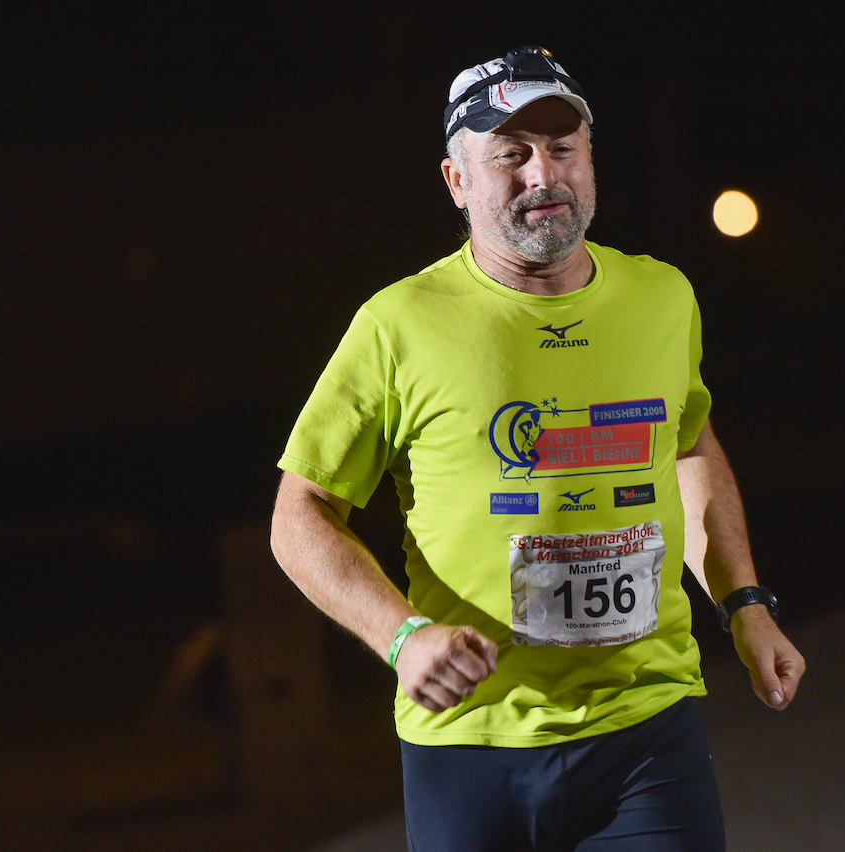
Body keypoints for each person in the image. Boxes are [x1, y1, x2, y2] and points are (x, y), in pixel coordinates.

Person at [269, 47, 804, 851]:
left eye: (562, 148)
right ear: (456, 180)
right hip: (471, 743)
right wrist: (402, 636)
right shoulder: (399, 324)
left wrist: (745, 602)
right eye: (509, 155)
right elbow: (300, 515)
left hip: (647, 728)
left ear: (591, 159)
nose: (541, 175)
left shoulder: (662, 296)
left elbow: (689, 447)